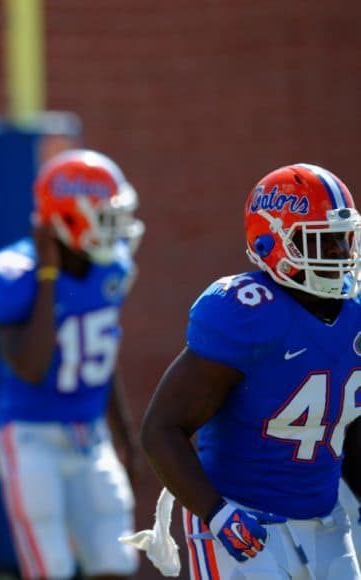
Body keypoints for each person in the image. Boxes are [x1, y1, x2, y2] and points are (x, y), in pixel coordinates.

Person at [140, 163, 361, 579]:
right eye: (321, 242)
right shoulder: (247, 312)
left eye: (342, 240)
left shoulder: (356, 314)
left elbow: (353, 427)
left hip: (327, 520)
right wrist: (217, 514)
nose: (338, 255)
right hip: (243, 519)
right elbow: (162, 428)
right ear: (271, 241)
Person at [0, 149, 143, 580]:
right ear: (67, 219)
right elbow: (30, 367)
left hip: (91, 434)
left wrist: (125, 436)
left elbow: (102, 355)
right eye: (105, 217)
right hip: (30, 434)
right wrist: (49, 277)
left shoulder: (113, 266)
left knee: (115, 558)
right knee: (50, 566)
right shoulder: (17, 274)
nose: (117, 229)